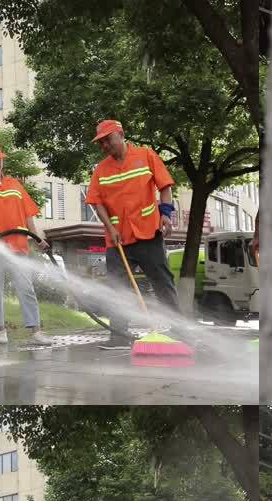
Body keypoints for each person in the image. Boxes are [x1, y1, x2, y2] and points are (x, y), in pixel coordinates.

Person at [84, 119, 180, 350]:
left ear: (121, 134)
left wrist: (166, 214)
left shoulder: (146, 156)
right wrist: (111, 228)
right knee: (118, 287)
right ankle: (119, 336)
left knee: (162, 282)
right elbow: (97, 203)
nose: (104, 145)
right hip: (118, 240)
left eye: (108, 139)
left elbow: (164, 186)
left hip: (148, 233)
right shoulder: (101, 170)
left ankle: (180, 331)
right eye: (101, 142)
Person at [0, 143, 54, 346]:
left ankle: (36, 331)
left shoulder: (15, 184)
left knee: (26, 287)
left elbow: (28, 213)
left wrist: (37, 238)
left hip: (18, 244)